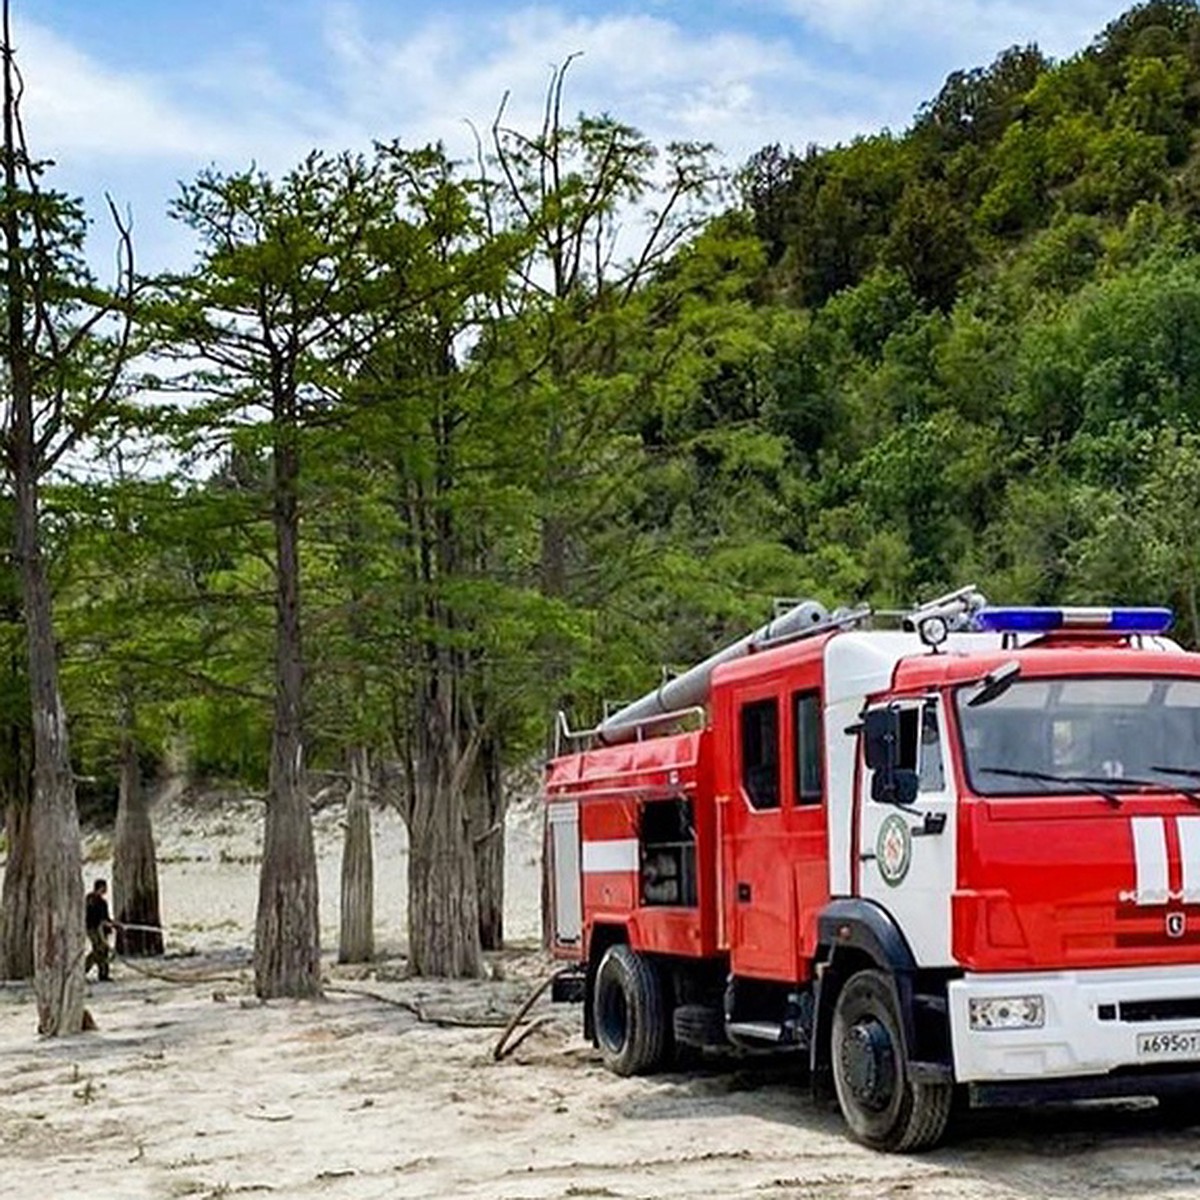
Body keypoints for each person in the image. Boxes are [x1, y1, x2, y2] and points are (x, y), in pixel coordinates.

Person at [84, 878, 113, 981]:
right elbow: (92, 917)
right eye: (104, 887)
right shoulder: (90, 900)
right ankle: (83, 969)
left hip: (101, 929)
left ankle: (103, 974)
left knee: (103, 950)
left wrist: (112, 923)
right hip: (92, 929)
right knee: (98, 950)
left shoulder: (102, 902)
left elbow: (105, 917)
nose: (106, 890)